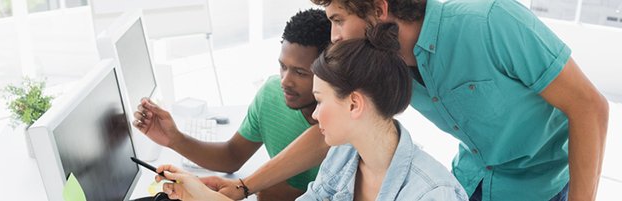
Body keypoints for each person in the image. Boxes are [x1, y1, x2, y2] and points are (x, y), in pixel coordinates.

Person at [202, 0, 610, 200]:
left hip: (547, 186)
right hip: (474, 180)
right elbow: (337, 127)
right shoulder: (385, 54)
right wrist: (242, 186)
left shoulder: (487, 22)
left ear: (378, 9)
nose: (334, 36)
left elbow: (590, 107)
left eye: (338, 20)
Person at [153, 22, 468, 201]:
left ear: (354, 104)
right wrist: (200, 194)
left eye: (321, 100)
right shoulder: (344, 156)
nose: (315, 116)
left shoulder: (431, 193)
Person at [132, 9, 331, 201]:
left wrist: (259, 190)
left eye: (300, 73)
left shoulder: (343, 125)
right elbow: (232, 156)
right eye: (283, 66)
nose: (285, 81)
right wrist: (175, 139)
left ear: (329, 71)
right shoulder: (271, 94)